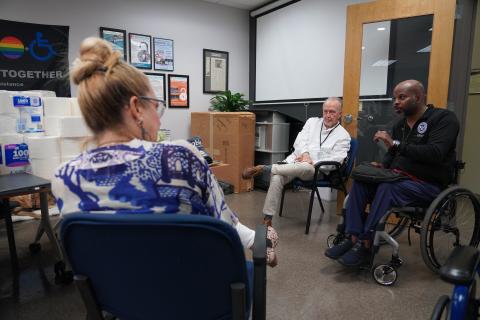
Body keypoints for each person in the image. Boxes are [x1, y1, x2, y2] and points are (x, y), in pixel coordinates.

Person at [52, 37, 278, 266]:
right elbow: (225, 226)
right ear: (135, 108)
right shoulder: (179, 157)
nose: (159, 122)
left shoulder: (63, 177)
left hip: (116, 298)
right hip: (193, 291)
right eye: (155, 106)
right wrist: (256, 238)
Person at [325, 79, 460, 266]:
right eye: (395, 98)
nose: (396, 101)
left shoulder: (443, 119)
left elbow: (436, 153)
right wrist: (381, 166)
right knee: (362, 180)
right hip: (398, 177)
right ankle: (352, 236)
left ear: (418, 97)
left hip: (427, 184)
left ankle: (366, 245)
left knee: (387, 187)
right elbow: (392, 155)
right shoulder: (400, 125)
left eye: (402, 97)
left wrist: (394, 144)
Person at [242, 97, 351, 225]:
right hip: (294, 162)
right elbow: (299, 141)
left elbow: (335, 161)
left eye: (332, 112)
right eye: (325, 111)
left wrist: (310, 160)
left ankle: (264, 168)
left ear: (340, 113)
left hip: (316, 171)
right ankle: (268, 218)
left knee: (306, 167)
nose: (328, 115)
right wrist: (305, 154)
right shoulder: (312, 122)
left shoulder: (343, 136)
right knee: (277, 177)